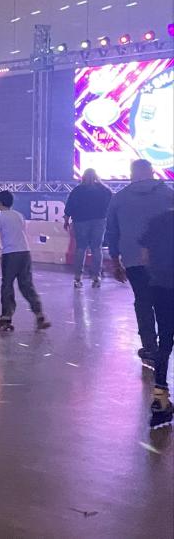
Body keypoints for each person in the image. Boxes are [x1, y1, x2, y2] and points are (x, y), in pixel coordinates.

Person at [106, 159, 174, 365]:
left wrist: (115, 260)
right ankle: (166, 343)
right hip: (166, 257)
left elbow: (111, 231)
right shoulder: (168, 194)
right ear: (152, 172)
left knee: (143, 301)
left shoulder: (119, 198)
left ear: (132, 173)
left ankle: (150, 347)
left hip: (134, 259)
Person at [0, 190, 50, 332]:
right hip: (25, 253)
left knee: (7, 285)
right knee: (26, 285)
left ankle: (6, 317)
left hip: (10, 254)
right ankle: (39, 313)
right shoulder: (19, 215)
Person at [140, 209, 173, 429]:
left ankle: (159, 397)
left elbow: (144, 256)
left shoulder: (157, 220)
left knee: (165, 339)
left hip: (161, 288)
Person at [64, 168, 112, 288]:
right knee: (97, 248)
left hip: (80, 221)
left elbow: (69, 206)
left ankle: (77, 278)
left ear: (83, 176)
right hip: (99, 221)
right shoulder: (104, 190)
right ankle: (96, 278)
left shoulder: (78, 190)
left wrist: (66, 220)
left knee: (81, 248)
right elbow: (111, 206)